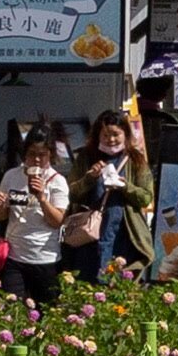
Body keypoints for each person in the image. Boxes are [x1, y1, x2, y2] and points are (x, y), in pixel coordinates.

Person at [64, 111, 152, 284]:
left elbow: (146, 198)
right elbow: (71, 193)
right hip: (89, 235)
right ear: (97, 135)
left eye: (116, 134)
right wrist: (89, 179)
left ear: (125, 134)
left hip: (123, 234)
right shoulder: (86, 157)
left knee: (118, 282)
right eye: (105, 135)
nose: (111, 139)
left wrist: (125, 186)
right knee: (87, 280)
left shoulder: (135, 159)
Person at [0, 133, 72, 305]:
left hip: (45, 258)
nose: (36, 159)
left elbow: (58, 221)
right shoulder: (11, 176)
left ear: (50, 154)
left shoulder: (57, 181)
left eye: (42, 154)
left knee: (47, 312)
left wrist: (42, 198)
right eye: (31, 154)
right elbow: (1, 216)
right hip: (14, 257)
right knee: (12, 310)